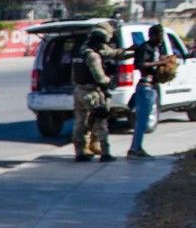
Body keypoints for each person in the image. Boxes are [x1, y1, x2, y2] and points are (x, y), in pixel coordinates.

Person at [70, 23, 124, 162]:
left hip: (78, 91)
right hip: (92, 93)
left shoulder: (80, 52)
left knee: (80, 123)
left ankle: (80, 152)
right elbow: (100, 78)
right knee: (101, 123)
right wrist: (109, 80)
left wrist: (125, 52)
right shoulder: (93, 57)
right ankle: (105, 153)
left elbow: (73, 76)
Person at [128, 24, 165, 158]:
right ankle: (135, 149)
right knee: (142, 120)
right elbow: (139, 64)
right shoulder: (145, 47)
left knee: (144, 120)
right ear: (152, 36)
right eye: (158, 36)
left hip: (153, 87)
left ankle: (137, 147)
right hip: (145, 87)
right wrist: (158, 64)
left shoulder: (157, 48)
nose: (161, 38)